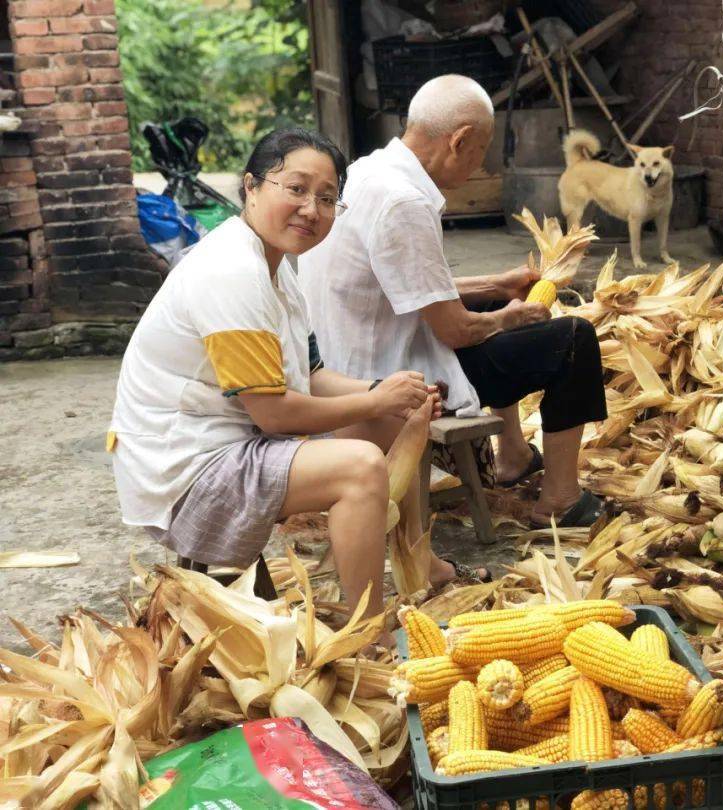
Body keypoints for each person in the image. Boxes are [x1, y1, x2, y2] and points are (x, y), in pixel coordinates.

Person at [108, 127, 475, 619]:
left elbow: (312, 374)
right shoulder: (232, 274)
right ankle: (369, 631)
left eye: (327, 198)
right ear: (251, 187)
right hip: (189, 471)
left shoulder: (276, 268)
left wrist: (386, 394)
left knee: (396, 420)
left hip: (229, 442)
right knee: (361, 468)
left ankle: (419, 562)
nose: (312, 209)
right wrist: (373, 399)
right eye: (296, 189)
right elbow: (276, 413)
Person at [300, 75, 608, 528]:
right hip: (384, 378)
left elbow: (407, 284)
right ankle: (560, 499)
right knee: (573, 340)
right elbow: (454, 329)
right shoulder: (405, 202)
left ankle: (514, 455)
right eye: (481, 150)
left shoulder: (369, 172)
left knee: (494, 312)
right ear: (460, 141)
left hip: (344, 358)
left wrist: (497, 285)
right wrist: (514, 314)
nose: (481, 165)